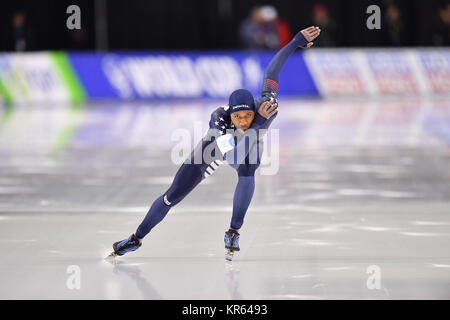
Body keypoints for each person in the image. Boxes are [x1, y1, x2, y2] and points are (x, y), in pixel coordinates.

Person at [108, 26, 321, 261]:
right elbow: (232, 159)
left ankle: (233, 231)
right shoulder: (219, 119)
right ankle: (136, 238)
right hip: (218, 147)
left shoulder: (265, 105)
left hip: (249, 144)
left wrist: (293, 43)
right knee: (172, 196)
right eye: (237, 117)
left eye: (247, 116)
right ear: (230, 116)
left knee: (249, 169)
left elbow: (272, 72)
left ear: (253, 109)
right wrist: (257, 125)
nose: (242, 121)